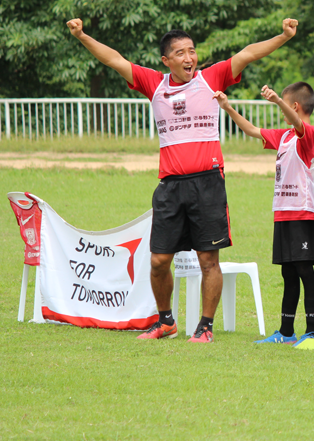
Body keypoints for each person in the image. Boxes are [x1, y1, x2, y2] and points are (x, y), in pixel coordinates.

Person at [66, 17, 298, 343]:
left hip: (207, 182)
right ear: (166, 60)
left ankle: (204, 327)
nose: (189, 58)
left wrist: (283, 36)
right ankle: (166, 322)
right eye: (180, 53)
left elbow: (247, 54)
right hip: (170, 186)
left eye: (192, 51)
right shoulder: (154, 84)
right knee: (159, 261)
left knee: (208, 259)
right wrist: (82, 36)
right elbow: (113, 59)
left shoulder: (210, 77)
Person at [216, 83, 314, 347]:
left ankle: (311, 333)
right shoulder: (285, 136)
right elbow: (252, 130)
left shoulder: (308, 134)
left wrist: (277, 100)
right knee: (288, 273)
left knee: (304, 270)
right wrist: (228, 108)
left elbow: (300, 124)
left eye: (285, 104)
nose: (282, 109)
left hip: (302, 214)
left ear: (294, 106)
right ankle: (286, 332)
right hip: (283, 215)